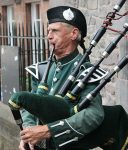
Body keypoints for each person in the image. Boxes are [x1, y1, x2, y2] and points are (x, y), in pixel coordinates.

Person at [18, 6, 104, 150]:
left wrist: (48, 130)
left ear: (74, 34)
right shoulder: (40, 69)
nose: (49, 36)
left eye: (55, 31)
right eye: (48, 31)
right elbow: (30, 104)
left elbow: (94, 114)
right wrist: (29, 132)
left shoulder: (86, 71)